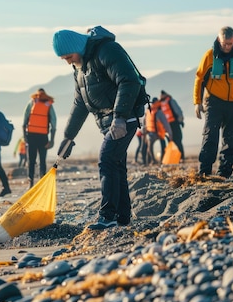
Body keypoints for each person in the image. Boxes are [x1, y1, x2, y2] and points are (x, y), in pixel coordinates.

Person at [53, 25, 144, 230]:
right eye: (64, 59)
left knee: (107, 160)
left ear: (77, 46)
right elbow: (80, 103)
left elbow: (129, 81)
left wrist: (119, 117)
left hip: (124, 117)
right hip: (107, 122)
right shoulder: (80, 68)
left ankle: (107, 215)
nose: (67, 61)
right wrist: (69, 137)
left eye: (68, 56)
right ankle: (122, 217)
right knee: (116, 165)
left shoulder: (107, 50)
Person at [193, 26, 233, 178]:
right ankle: (204, 172)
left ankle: (223, 173)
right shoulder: (209, 56)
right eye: (224, 43)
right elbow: (199, 79)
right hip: (214, 101)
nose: (227, 47)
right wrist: (197, 102)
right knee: (210, 137)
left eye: (230, 44)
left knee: (231, 139)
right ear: (219, 40)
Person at [22, 88, 57, 187]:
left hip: (31, 136)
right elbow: (54, 124)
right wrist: (52, 140)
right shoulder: (49, 105)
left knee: (31, 161)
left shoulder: (32, 102)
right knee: (42, 161)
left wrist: (25, 137)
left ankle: (31, 183)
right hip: (43, 137)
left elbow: (24, 121)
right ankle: (42, 183)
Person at [143, 97, 173, 164]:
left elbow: (145, 123)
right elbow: (166, 124)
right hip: (159, 133)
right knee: (163, 146)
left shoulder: (148, 111)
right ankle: (162, 161)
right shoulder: (159, 112)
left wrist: (144, 133)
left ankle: (151, 162)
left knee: (149, 148)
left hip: (150, 134)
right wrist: (170, 134)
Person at [159, 90, 184, 161]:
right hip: (173, 123)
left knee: (172, 140)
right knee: (178, 140)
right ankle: (180, 157)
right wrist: (181, 121)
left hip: (167, 125)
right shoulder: (170, 101)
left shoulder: (161, 104)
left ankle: (175, 157)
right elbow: (178, 111)